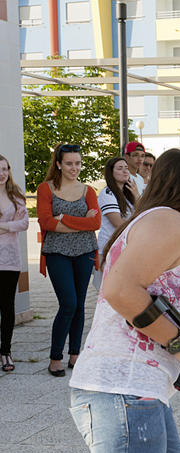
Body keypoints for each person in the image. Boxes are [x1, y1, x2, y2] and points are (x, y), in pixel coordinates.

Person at [69, 148, 180, 453]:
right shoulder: (169, 221)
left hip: (139, 391)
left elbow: (145, 299)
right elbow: (121, 291)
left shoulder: (150, 222)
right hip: (125, 391)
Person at [36, 144, 101, 377]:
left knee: (80, 305)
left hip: (84, 253)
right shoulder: (46, 189)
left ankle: (75, 355)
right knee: (68, 304)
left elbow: (96, 224)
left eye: (78, 163)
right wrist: (81, 221)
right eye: (70, 163)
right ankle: (55, 357)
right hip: (57, 253)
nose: (75, 168)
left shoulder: (88, 191)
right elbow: (45, 222)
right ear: (59, 164)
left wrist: (63, 219)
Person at [0, 154, 29, 372]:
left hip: (9, 259)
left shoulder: (15, 195)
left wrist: (5, 227)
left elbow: (25, 223)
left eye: (5, 169)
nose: (2, 174)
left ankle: (6, 352)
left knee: (7, 307)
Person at [94, 157, 137, 290]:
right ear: (110, 173)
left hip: (125, 248)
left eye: (126, 168)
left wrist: (136, 195)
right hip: (109, 249)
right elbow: (118, 223)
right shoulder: (108, 194)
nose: (125, 171)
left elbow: (143, 214)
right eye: (120, 168)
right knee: (110, 293)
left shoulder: (128, 194)